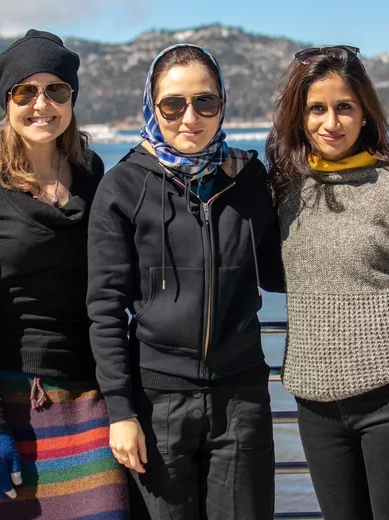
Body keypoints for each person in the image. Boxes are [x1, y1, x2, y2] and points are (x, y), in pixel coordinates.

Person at [87, 44, 285, 520]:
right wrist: (120, 412)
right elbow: (105, 308)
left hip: (241, 394)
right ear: (152, 107)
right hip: (158, 402)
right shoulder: (124, 186)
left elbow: (282, 270)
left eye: (205, 102)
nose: (189, 117)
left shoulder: (247, 177)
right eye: (172, 104)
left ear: (223, 105)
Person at [0, 30, 127, 519]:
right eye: (26, 91)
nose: (42, 104)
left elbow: (109, 282)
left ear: (72, 98)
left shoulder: (93, 173)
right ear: (7, 102)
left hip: (88, 390)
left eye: (56, 90)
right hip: (6, 392)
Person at [265, 46, 389, 520]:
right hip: (315, 406)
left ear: (365, 111)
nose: (331, 122)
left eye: (344, 107)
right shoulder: (287, 189)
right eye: (317, 109)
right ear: (299, 116)